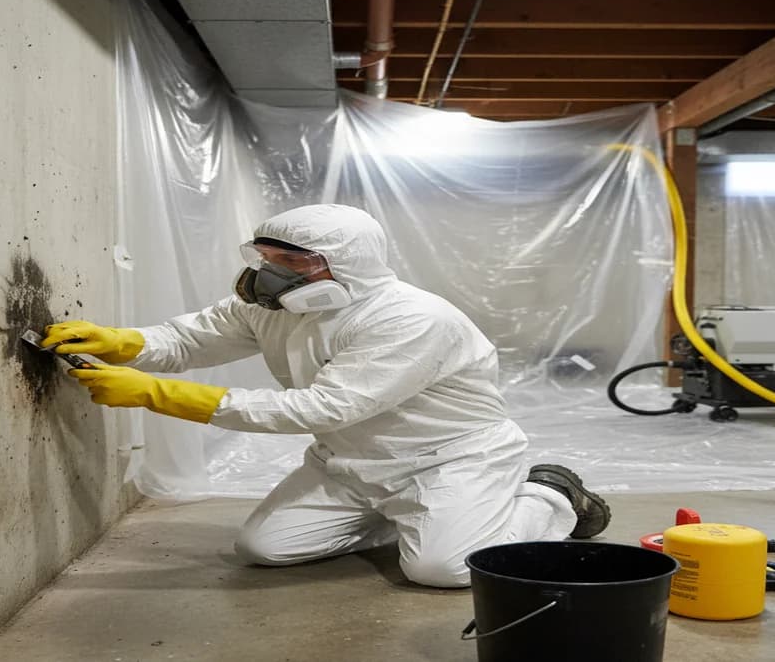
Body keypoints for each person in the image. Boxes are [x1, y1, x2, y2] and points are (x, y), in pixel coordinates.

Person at [43, 204, 610, 588]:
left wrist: (160, 396)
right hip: (350, 464)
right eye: (267, 258)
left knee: (443, 569)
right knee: (265, 548)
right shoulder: (271, 306)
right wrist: (125, 342)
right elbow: (193, 337)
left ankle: (550, 493)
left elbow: (322, 408)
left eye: (291, 262)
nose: (270, 273)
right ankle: (407, 518)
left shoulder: (409, 319)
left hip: (449, 459)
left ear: (343, 264)